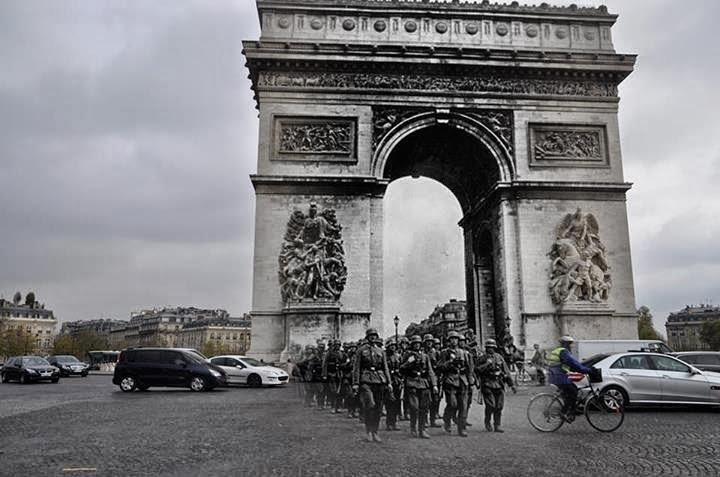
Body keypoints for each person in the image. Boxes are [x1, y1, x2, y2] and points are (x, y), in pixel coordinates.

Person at [353, 328, 392, 443]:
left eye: (374, 335)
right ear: (367, 337)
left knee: (378, 408)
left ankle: (375, 431)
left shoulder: (381, 351)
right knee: (370, 405)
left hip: (379, 380)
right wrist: (355, 383)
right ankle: (368, 431)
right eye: (371, 335)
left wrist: (389, 382)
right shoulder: (361, 350)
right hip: (365, 380)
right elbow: (356, 368)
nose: (373, 337)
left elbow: (385, 368)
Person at [547, 335, 592, 421]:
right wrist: (588, 370)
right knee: (573, 392)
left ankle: (572, 409)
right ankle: (564, 412)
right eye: (570, 344)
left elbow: (572, 365)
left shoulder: (558, 350)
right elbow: (573, 364)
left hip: (556, 375)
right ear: (566, 344)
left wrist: (582, 369)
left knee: (572, 390)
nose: (571, 346)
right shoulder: (564, 352)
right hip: (559, 377)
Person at [400, 335, 437, 438]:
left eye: (418, 343)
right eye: (415, 343)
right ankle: (413, 427)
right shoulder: (408, 355)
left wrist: (434, 384)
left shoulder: (425, 356)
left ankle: (422, 430)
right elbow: (401, 368)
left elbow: (430, 371)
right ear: (412, 345)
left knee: (424, 407)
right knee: (414, 407)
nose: (417, 345)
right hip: (412, 382)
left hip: (423, 383)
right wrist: (409, 362)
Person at [476, 339, 515, 433]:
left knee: (499, 406)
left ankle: (497, 425)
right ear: (486, 348)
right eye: (488, 347)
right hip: (487, 384)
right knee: (491, 405)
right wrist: (486, 364)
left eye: (492, 347)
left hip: (499, 384)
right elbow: (476, 370)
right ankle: (487, 421)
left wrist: (512, 384)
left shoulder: (499, 357)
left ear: (494, 348)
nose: (490, 349)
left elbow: (506, 371)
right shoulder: (482, 358)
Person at [438, 331, 473, 437]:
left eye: (456, 339)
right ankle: (447, 419)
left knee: (463, 405)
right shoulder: (444, 353)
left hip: (462, 380)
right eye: (451, 339)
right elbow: (440, 367)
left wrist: (470, 379)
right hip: (450, 380)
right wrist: (450, 363)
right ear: (449, 341)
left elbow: (469, 367)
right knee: (452, 404)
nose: (454, 341)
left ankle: (461, 428)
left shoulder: (464, 353)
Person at [422, 334, 441, 428]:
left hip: (435, 378)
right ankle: (424, 420)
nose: (429, 343)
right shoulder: (421, 352)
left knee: (435, 400)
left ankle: (432, 420)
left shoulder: (436, 352)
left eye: (430, 341)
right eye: (427, 341)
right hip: (424, 379)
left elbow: (440, 364)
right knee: (425, 400)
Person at [322, 340, 345, 413]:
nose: (337, 346)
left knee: (339, 391)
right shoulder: (329, 353)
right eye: (336, 345)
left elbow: (345, 362)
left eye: (338, 345)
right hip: (331, 374)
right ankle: (333, 407)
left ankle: (338, 407)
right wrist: (325, 374)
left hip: (339, 374)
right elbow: (325, 364)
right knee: (333, 391)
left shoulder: (342, 353)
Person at [384, 339, 403, 431]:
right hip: (388, 381)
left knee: (396, 402)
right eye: (391, 345)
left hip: (397, 381)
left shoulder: (398, 356)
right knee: (389, 402)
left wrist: (400, 377)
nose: (393, 347)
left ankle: (394, 422)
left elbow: (402, 368)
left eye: (394, 345)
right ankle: (389, 423)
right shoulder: (384, 356)